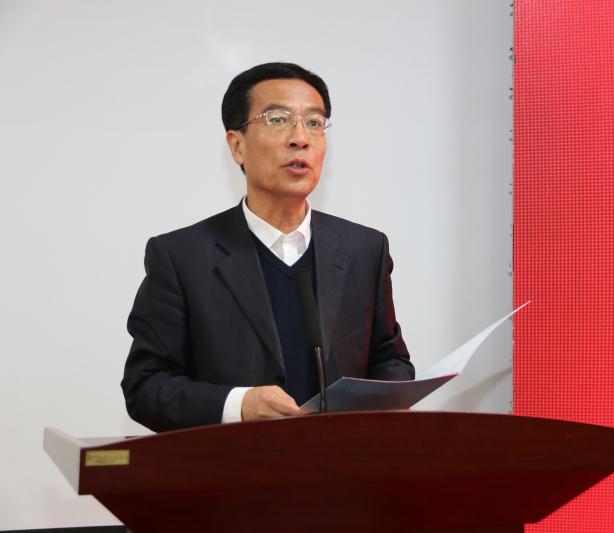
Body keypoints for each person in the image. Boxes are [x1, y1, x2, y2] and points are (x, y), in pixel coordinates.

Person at [121, 63, 414, 432]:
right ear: (237, 146)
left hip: (339, 464)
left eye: (314, 123)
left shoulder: (364, 249)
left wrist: (380, 399)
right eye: (278, 120)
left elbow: (390, 360)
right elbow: (146, 387)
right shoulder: (181, 257)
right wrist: (239, 405)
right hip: (233, 465)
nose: (300, 138)